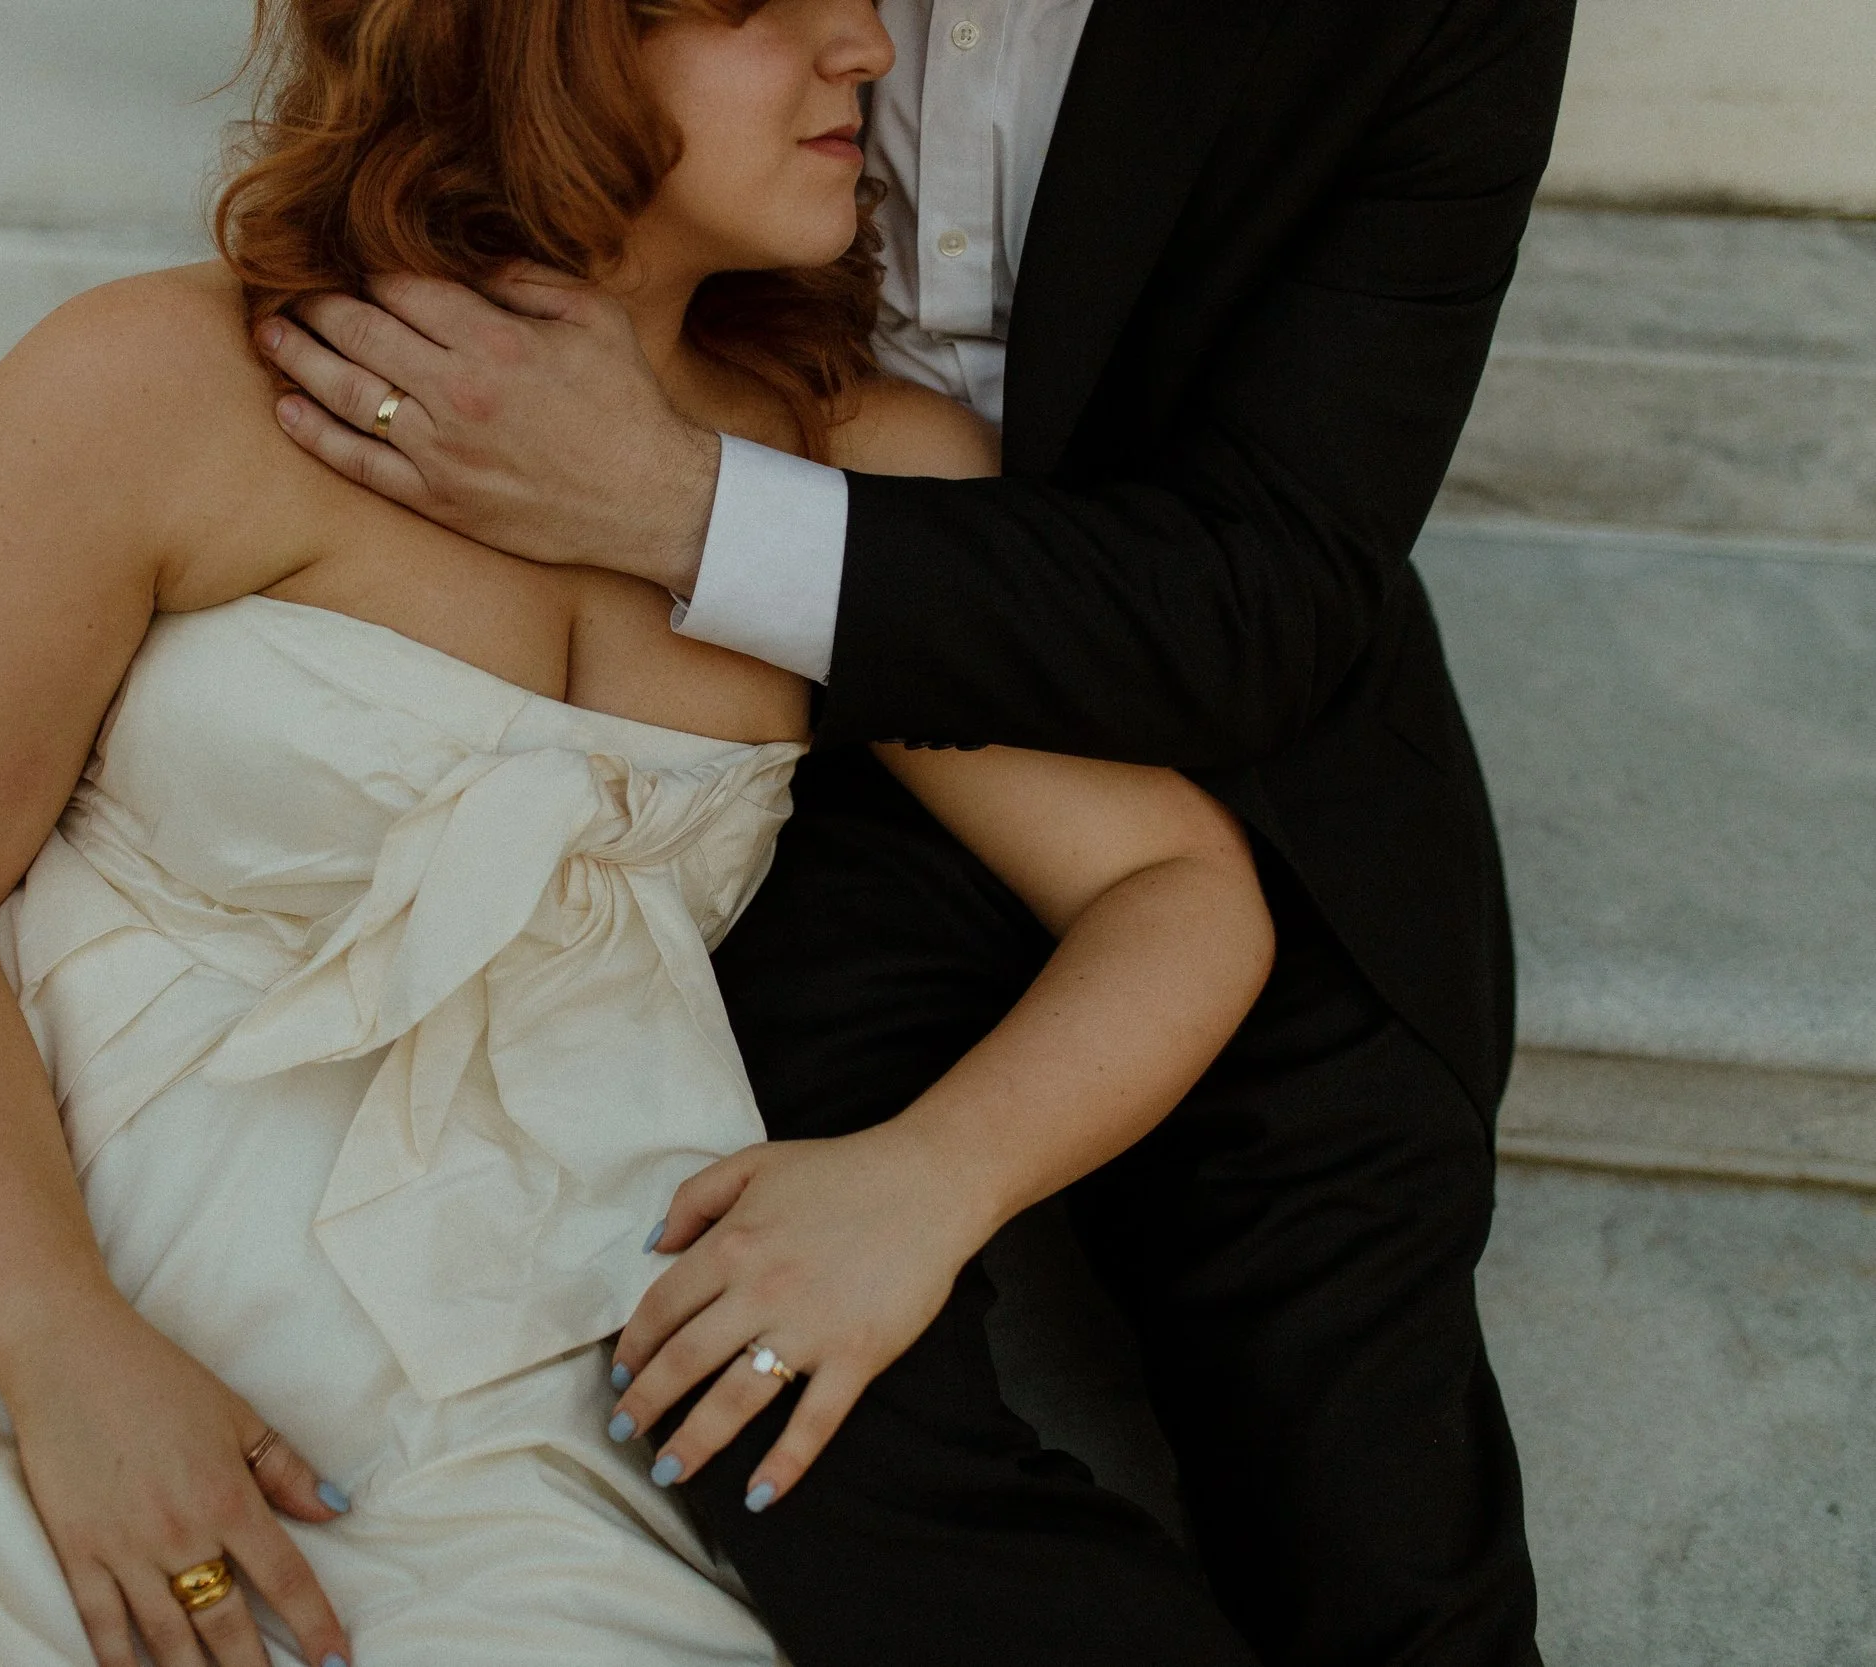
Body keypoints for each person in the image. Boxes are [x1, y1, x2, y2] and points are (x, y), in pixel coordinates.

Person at [0, 3, 1278, 1665]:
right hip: (3, 1221)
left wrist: (928, 1185)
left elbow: (1176, 888)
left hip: (519, 1333)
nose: (863, 40)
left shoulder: (857, 463)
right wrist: (58, 1344)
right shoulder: (166, 382)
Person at [126, 0, 1584, 1663]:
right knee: (759, 1388)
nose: (862, 44)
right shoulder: (202, 376)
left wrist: (676, 501)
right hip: (755, 753)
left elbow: (1270, 600)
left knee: (1371, 1499)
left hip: (1217, 735)